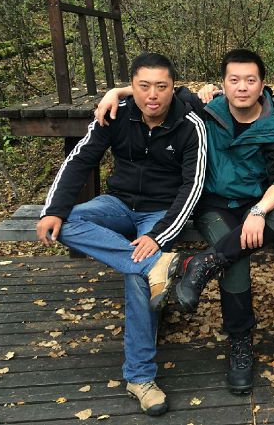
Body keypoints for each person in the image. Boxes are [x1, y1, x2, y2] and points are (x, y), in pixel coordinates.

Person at [96, 49, 274, 395]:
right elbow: (161, 91)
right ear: (223, 83)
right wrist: (117, 91)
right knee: (236, 260)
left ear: (262, 84)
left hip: (256, 204)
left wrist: (258, 211)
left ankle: (203, 262)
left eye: (250, 80)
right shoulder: (203, 109)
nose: (242, 87)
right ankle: (240, 342)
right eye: (234, 80)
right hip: (213, 206)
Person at [37, 52, 207, 415]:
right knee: (66, 222)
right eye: (143, 86)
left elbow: (192, 187)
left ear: (173, 88)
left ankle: (140, 377)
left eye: (161, 86)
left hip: (160, 212)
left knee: (136, 277)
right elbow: (80, 160)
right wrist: (52, 209)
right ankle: (154, 265)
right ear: (132, 86)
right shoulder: (116, 113)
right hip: (117, 204)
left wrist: (158, 237)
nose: (152, 95)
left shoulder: (190, 124)